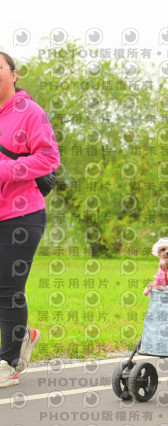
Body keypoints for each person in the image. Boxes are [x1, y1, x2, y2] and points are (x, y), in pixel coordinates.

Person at [0, 52, 59, 387]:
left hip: (21, 213)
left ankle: (8, 364)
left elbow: (49, 158)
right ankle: (22, 335)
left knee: (8, 287)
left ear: (14, 74)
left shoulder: (30, 112)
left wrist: (5, 170)